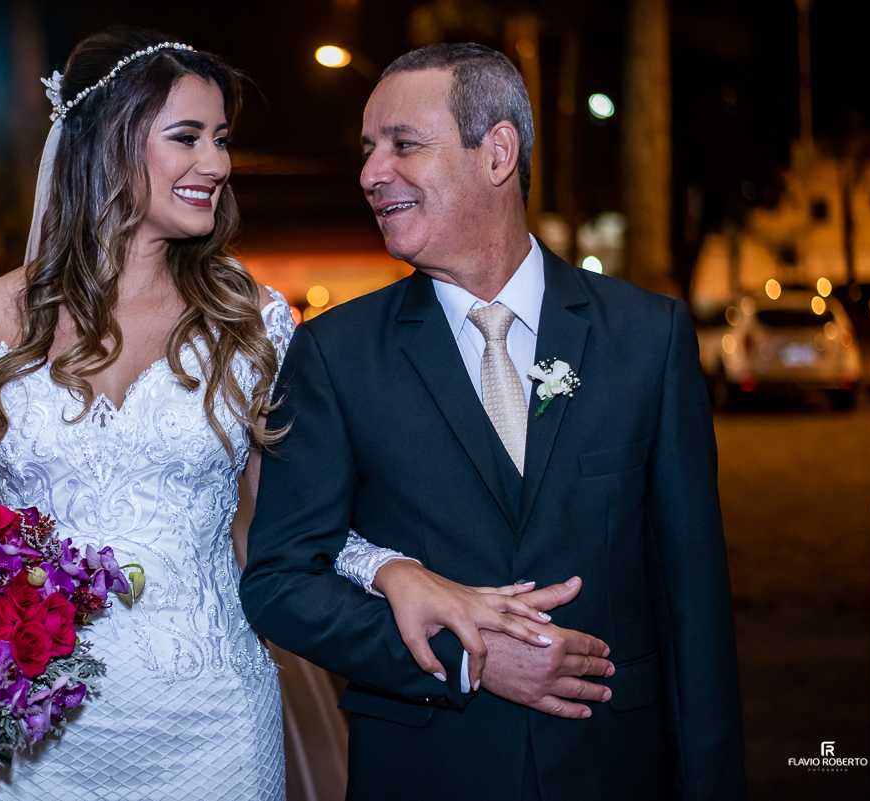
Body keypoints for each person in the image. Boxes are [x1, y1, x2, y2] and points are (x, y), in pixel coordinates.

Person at [241, 43, 746, 800]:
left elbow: (694, 601)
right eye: (368, 150)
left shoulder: (648, 338)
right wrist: (464, 654)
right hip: (428, 767)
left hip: (613, 766)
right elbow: (281, 579)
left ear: (497, 152)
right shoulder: (335, 354)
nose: (371, 174)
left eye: (403, 145)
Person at [0, 27, 382, 800]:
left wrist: (396, 573)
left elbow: (292, 520)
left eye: (222, 140)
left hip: (215, 720)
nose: (219, 164)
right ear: (107, 143)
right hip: (34, 732)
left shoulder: (252, 321)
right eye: (188, 137)